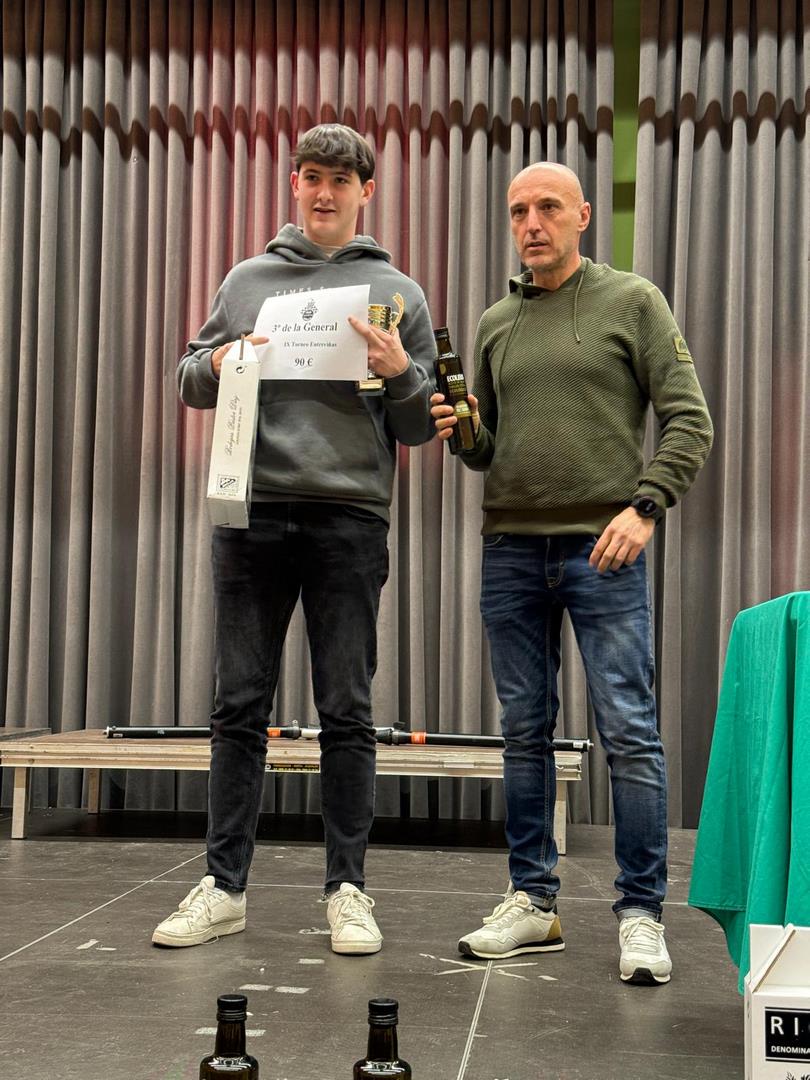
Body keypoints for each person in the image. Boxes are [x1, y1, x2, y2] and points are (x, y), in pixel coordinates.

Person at [153, 124, 436, 955]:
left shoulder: (398, 293)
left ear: (366, 192)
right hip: (251, 514)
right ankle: (224, 887)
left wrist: (400, 372)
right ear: (294, 183)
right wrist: (222, 361)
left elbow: (420, 425)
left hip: (350, 519)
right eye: (312, 176)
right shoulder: (247, 280)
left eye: (340, 181)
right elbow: (189, 377)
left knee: (346, 709)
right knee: (238, 705)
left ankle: (348, 889)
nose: (324, 193)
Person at [431, 161, 713, 984]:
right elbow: (486, 449)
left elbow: (690, 420)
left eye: (548, 207)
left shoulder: (633, 301)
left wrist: (644, 507)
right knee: (524, 733)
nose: (532, 223)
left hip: (603, 548)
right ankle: (532, 901)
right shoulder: (495, 322)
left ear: (583, 216)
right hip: (510, 551)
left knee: (629, 731)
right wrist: (464, 431)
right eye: (519, 210)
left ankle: (641, 914)